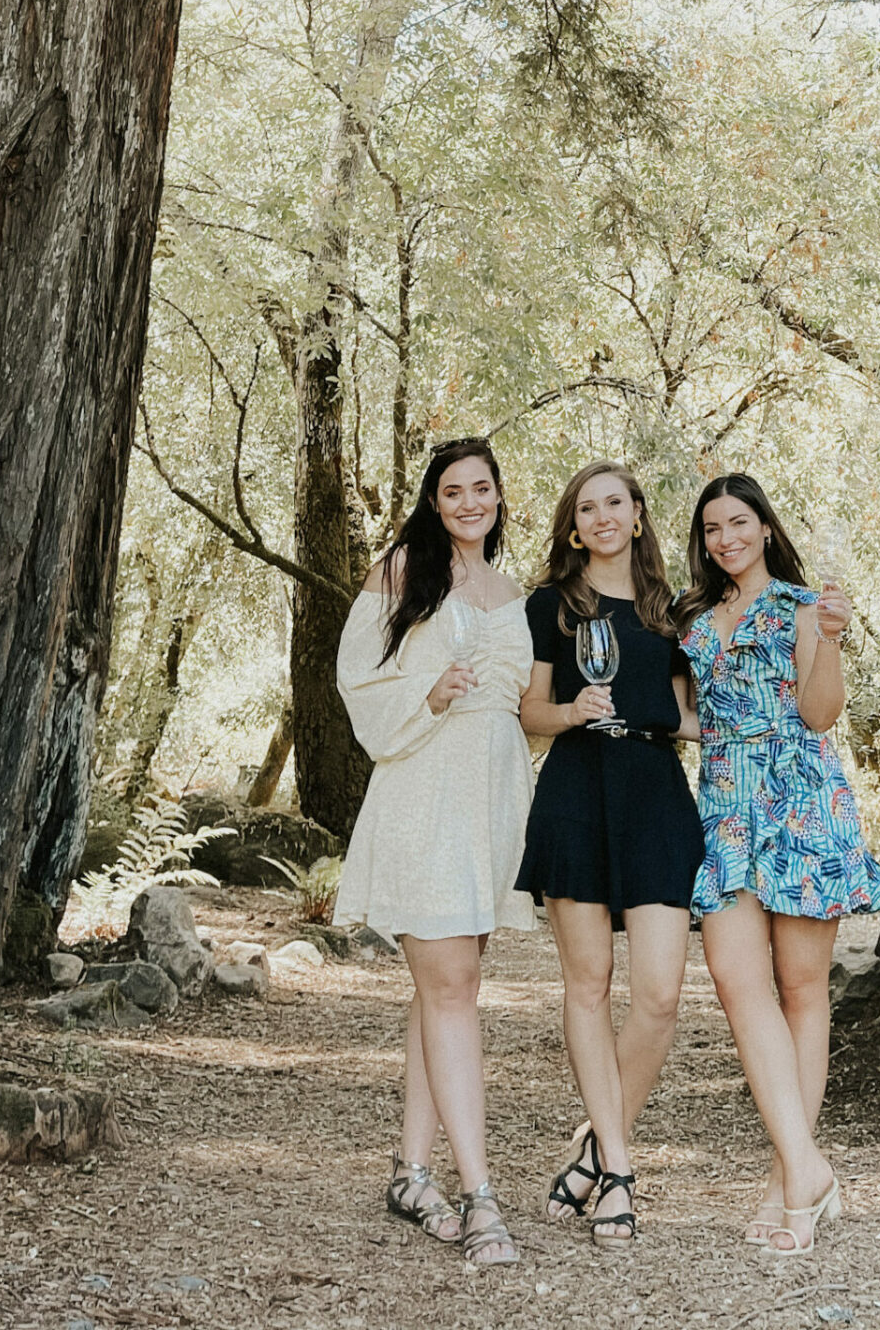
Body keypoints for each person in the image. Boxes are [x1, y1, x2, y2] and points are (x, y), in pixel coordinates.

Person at [675, 474, 880, 1256]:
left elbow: (820, 712)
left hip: (801, 801)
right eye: (712, 529)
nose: (726, 538)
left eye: (739, 522)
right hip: (728, 806)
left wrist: (830, 640)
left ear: (765, 527)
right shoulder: (693, 616)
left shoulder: (804, 607)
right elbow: (691, 712)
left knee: (803, 992)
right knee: (739, 984)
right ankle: (809, 1170)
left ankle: (787, 1182)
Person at [333, 438, 534, 1266]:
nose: (467, 502)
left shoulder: (513, 591)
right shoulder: (401, 570)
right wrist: (431, 691)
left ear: (497, 498)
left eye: (481, 488)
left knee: (442, 991)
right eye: (452, 490)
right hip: (425, 793)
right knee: (452, 993)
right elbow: (354, 678)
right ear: (433, 499)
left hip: (490, 802)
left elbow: (525, 704)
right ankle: (481, 1196)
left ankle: (412, 1173)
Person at [516, 460, 705, 1244]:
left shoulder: (676, 612)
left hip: (656, 794)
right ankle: (620, 1169)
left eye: (614, 504)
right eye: (586, 508)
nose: (601, 517)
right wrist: (570, 710)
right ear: (573, 526)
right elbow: (529, 713)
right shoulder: (550, 606)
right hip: (577, 794)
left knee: (659, 995)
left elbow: (694, 718)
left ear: (636, 516)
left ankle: (592, 1147)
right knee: (588, 984)